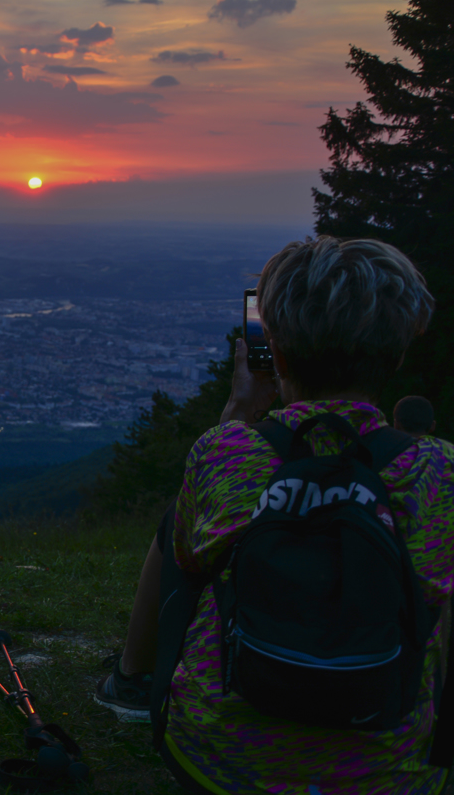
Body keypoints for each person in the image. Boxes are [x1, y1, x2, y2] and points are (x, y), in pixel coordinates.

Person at [95, 237, 453, 793]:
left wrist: (240, 412)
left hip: (217, 762)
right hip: (391, 774)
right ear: (399, 353)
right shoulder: (439, 472)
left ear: (276, 352)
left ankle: (131, 679)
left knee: (180, 524)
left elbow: (193, 551)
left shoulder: (225, 454)